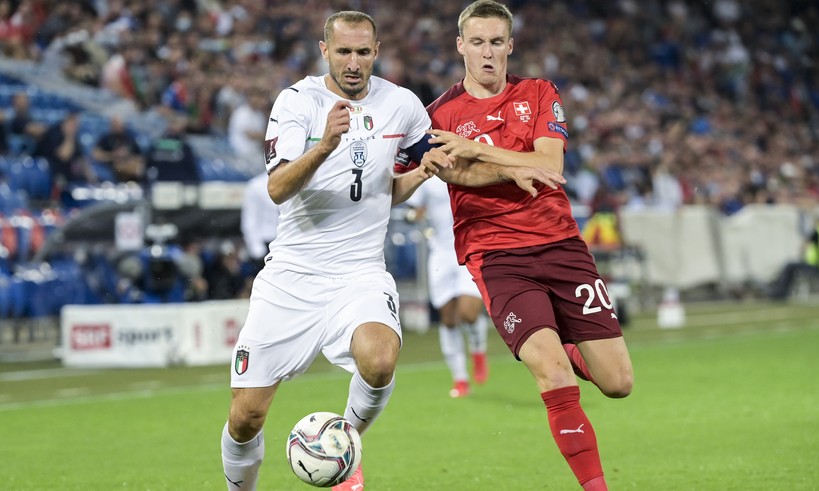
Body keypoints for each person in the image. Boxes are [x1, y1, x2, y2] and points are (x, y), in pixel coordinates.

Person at [219, 11, 563, 491]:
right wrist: (324, 146)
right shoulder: (298, 102)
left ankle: (344, 452)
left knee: (380, 359)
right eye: (344, 52)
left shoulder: (400, 105)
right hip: (291, 277)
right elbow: (278, 188)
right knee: (246, 416)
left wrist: (430, 171)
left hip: (360, 272)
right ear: (325, 52)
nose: (354, 62)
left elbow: (394, 186)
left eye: (363, 52)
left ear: (376, 52)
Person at [413, 2, 635, 489]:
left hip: (562, 247)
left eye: (497, 42)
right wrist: (515, 164)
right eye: (477, 42)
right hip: (496, 257)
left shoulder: (538, 92)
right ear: (460, 46)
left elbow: (549, 162)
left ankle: (575, 351)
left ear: (510, 45)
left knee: (619, 383)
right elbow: (459, 174)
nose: (487, 53)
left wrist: (474, 146)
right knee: (552, 375)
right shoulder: (438, 115)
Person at [405, 177, 490, 398]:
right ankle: (460, 378)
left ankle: (478, 351)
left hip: (471, 248)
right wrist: (415, 215)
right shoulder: (428, 173)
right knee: (448, 318)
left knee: (469, 312)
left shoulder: (470, 164)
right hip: (441, 254)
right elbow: (410, 210)